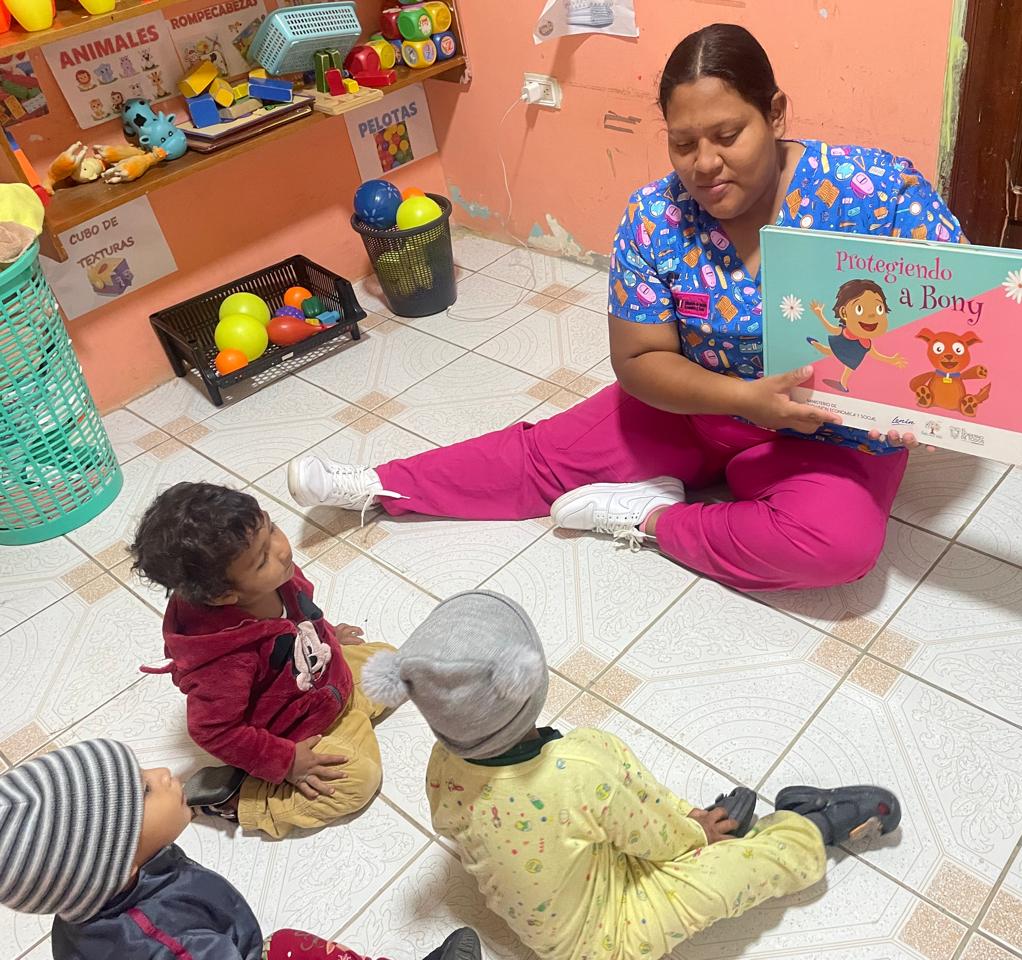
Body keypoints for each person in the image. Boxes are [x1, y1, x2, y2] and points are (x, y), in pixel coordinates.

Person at [286, 23, 966, 593]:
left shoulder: (875, 191)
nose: (705, 164)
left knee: (838, 547)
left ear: (777, 113)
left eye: (729, 134)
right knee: (546, 456)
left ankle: (650, 518)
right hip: (703, 405)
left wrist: (926, 404)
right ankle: (376, 485)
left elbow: (961, 310)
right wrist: (743, 399)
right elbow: (638, 360)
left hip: (835, 434)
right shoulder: (655, 217)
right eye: (683, 143)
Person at [360, 591, 902, 960]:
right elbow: (654, 836)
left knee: (601, 796)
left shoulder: (442, 764)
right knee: (729, 876)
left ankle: (710, 826)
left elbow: (456, 826)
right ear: (526, 681)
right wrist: (696, 836)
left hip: (549, 910)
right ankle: (806, 831)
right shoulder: (580, 767)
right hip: (604, 939)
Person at [0, 739, 481, 960]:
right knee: (293, 949)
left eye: (142, 770)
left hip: (234, 940)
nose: (163, 773)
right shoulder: (165, 946)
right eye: (144, 790)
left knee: (288, 942)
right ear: (112, 862)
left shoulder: (85, 899)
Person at [129, 482, 396, 839]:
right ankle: (240, 800)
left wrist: (328, 634)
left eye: (271, 529)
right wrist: (286, 761)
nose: (281, 550)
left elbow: (302, 615)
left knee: (391, 662)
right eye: (261, 559)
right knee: (359, 782)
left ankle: (352, 711)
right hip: (299, 733)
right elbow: (212, 730)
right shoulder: (225, 660)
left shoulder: (276, 578)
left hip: (327, 678)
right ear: (225, 595)